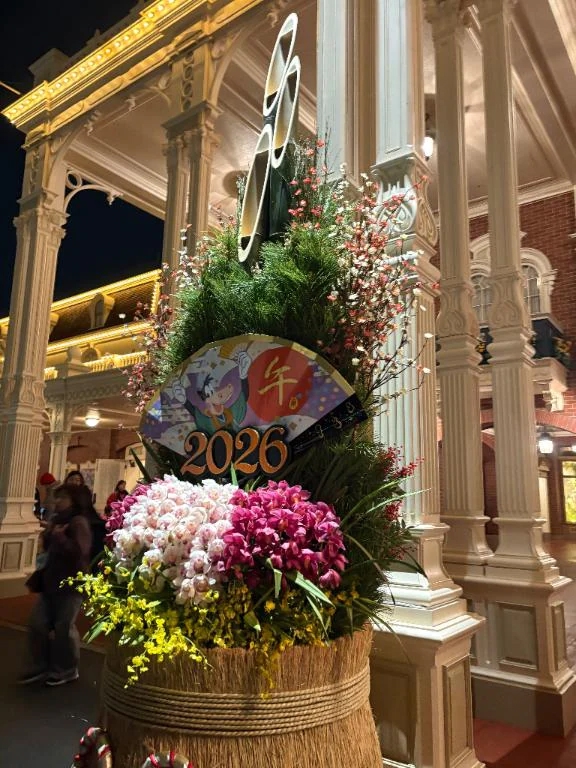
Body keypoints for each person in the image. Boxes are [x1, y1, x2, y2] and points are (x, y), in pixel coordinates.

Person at [19, 484, 93, 686]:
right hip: (51, 581)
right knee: (37, 623)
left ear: (73, 500)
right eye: (57, 497)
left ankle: (66, 669)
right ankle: (39, 666)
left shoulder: (78, 522)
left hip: (70, 584)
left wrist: (60, 537)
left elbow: (79, 553)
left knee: (64, 628)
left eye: (63, 497)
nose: (58, 501)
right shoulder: (57, 520)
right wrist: (50, 534)